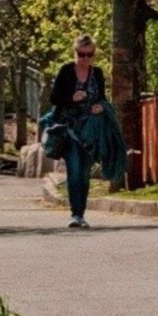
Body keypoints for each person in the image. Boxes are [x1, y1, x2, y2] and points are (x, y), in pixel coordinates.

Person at [50, 34, 106, 228]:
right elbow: (54, 98)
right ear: (75, 53)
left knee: (84, 172)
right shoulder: (66, 71)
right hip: (69, 129)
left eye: (89, 54)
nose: (85, 58)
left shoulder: (97, 73)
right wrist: (71, 98)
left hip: (90, 130)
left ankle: (81, 213)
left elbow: (102, 98)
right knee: (74, 169)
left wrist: (100, 107)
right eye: (81, 54)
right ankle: (75, 214)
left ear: (94, 55)